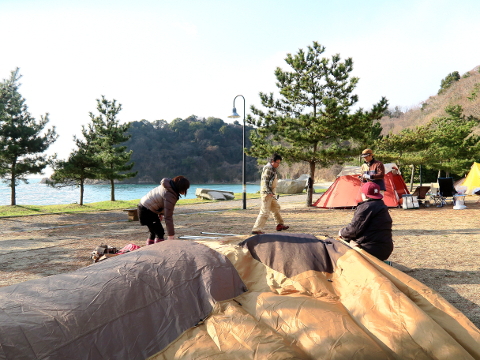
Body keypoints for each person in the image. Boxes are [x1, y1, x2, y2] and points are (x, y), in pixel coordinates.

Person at [338, 182, 393, 261]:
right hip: (385, 248)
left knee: (342, 246)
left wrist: (342, 232)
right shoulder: (381, 205)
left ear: (365, 195)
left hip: (371, 249)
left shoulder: (366, 207)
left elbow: (354, 229)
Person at [137, 175, 190, 245]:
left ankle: (150, 247)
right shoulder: (170, 194)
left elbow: (158, 201)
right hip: (147, 211)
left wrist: (159, 213)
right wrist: (171, 235)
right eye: (185, 189)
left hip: (143, 207)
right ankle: (159, 251)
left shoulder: (167, 186)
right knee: (159, 233)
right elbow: (168, 216)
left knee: (153, 232)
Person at [251, 153, 289, 235]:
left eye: (279, 163)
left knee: (276, 208)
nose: (278, 164)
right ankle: (256, 229)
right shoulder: (268, 169)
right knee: (265, 212)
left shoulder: (272, 169)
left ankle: (279, 224)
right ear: (272, 161)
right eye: (277, 162)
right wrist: (268, 192)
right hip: (267, 194)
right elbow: (265, 182)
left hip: (271, 193)